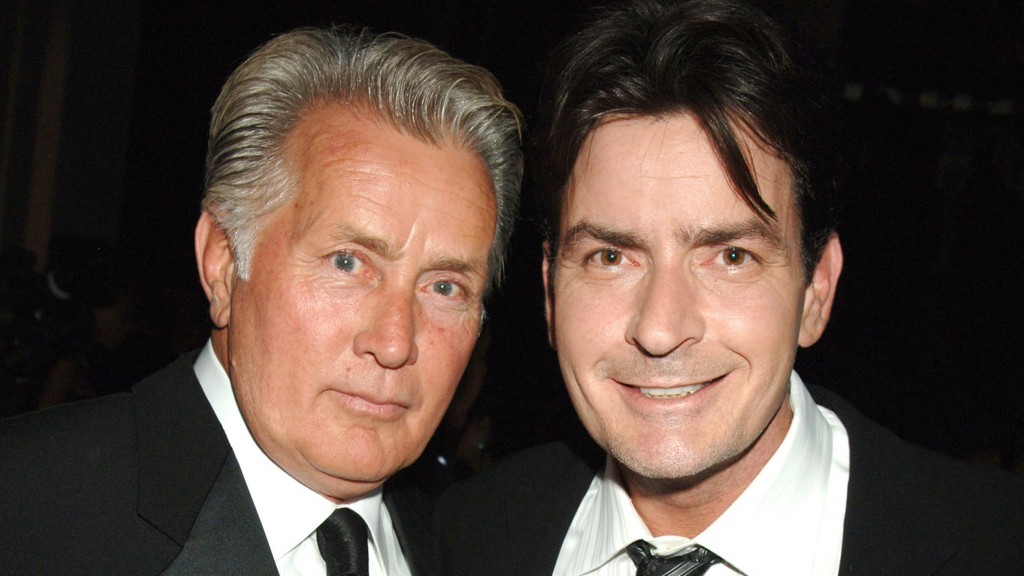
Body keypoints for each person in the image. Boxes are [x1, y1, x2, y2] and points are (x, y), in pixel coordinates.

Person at [435, 1, 1024, 574]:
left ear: (816, 289)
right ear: (549, 292)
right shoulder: (458, 538)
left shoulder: (994, 543)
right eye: (611, 256)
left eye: (731, 256)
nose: (660, 329)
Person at [1, 26, 522, 575]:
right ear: (223, 264)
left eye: (444, 287)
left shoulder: (466, 547)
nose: (395, 343)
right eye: (347, 261)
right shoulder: (26, 508)